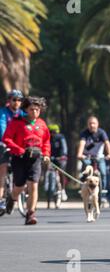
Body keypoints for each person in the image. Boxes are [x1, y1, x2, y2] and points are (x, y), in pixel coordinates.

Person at [2, 97, 51, 225]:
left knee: (33, 185)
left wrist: (46, 154)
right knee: (20, 185)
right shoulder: (16, 122)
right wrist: (20, 150)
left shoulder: (42, 124)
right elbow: (7, 139)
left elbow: (46, 141)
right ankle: (12, 199)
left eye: (37, 110)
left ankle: (30, 214)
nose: (35, 112)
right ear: (25, 110)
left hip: (35, 159)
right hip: (19, 159)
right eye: (32, 109)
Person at [77, 116, 110, 205]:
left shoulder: (101, 133)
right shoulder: (84, 133)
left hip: (99, 157)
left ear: (97, 124)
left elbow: (107, 143)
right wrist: (80, 154)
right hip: (87, 157)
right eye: (90, 123)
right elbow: (82, 143)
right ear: (87, 125)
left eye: (94, 123)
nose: (92, 125)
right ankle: (83, 186)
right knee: (85, 170)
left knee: (103, 172)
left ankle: (102, 193)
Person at [0, 90, 25, 210]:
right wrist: (6, 142)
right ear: (9, 101)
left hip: (19, 147)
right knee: (2, 171)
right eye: (14, 99)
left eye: (19, 100)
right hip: (5, 144)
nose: (17, 102)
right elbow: (2, 128)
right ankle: (0, 199)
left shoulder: (23, 114)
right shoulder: (3, 113)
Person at [48, 124, 69, 204]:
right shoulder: (47, 138)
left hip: (60, 158)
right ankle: (47, 184)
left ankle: (63, 189)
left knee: (62, 172)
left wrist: (63, 155)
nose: (52, 134)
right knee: (47, 169)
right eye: (51, 132)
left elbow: (64, 148)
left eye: (54, 132)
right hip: (51, 158)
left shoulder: (60, 138)